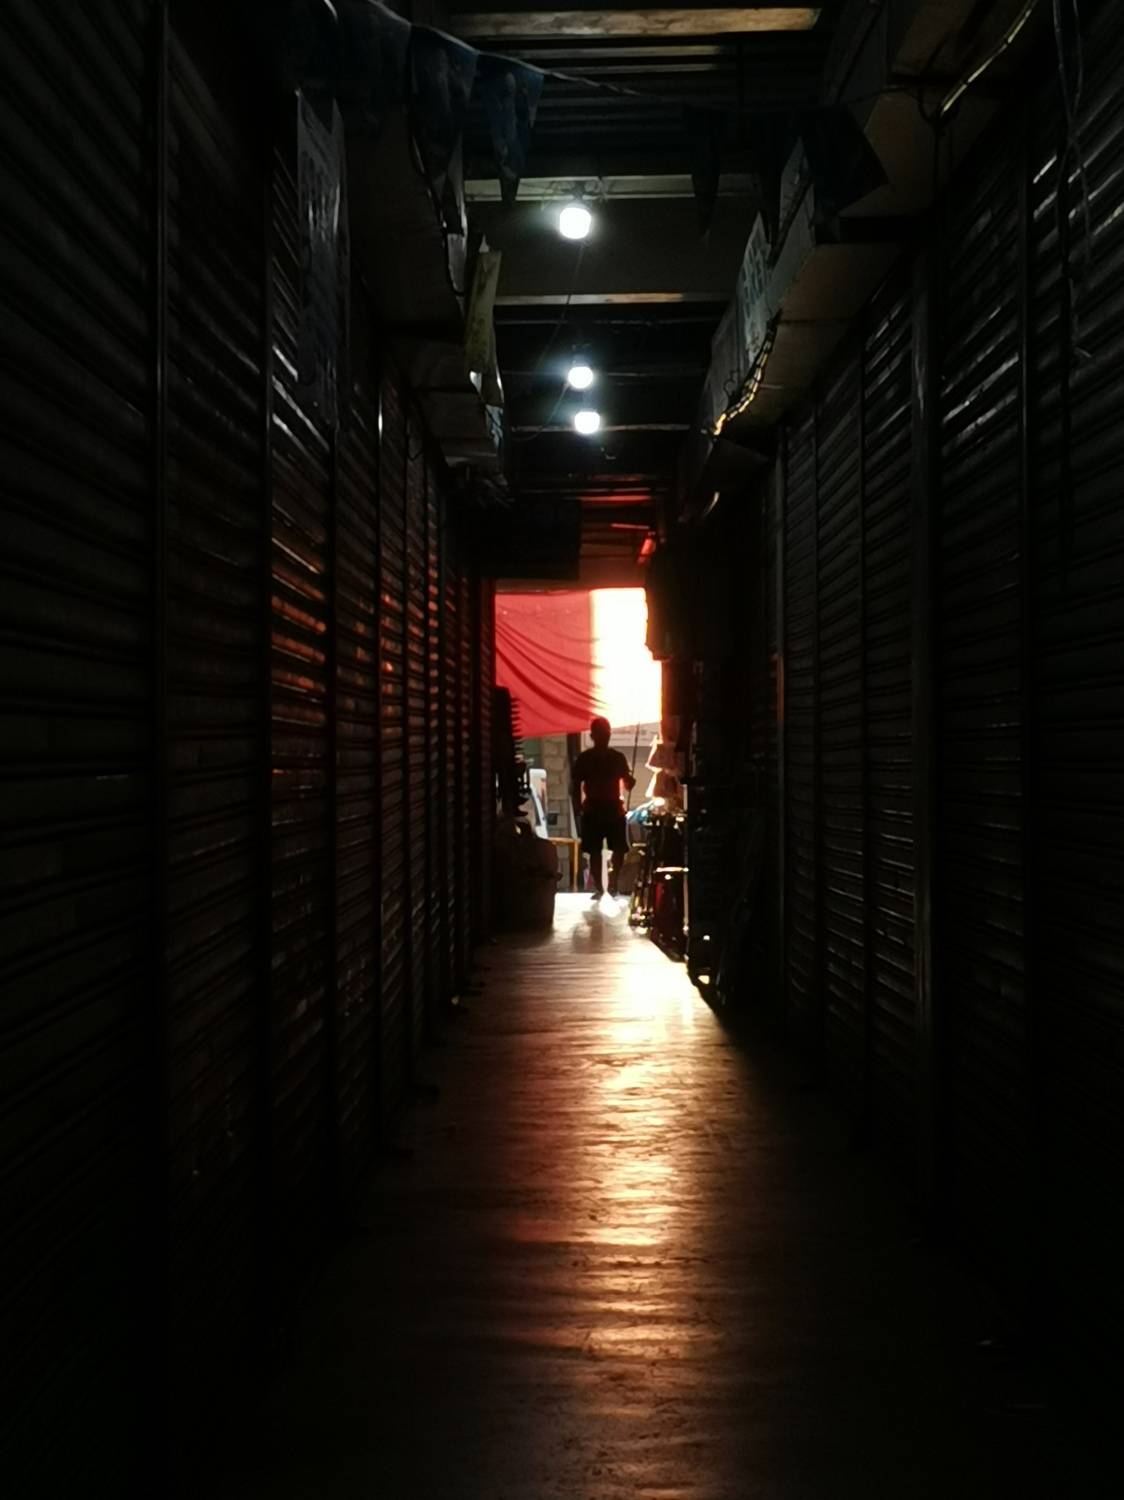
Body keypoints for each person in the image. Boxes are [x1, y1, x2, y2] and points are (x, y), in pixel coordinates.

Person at [570, 717, 636, 900]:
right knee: (598, 850)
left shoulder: (604, 758)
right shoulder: (595, 758)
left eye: (604, 734)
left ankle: (608, 884)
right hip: (597, 808)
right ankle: (603, 886)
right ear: (594, 736)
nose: (603, 737)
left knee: (614, 849)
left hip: (608, 808)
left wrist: (630, 781)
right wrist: (577, 807)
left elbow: (627, 782)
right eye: (601, 734)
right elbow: (575, 785)